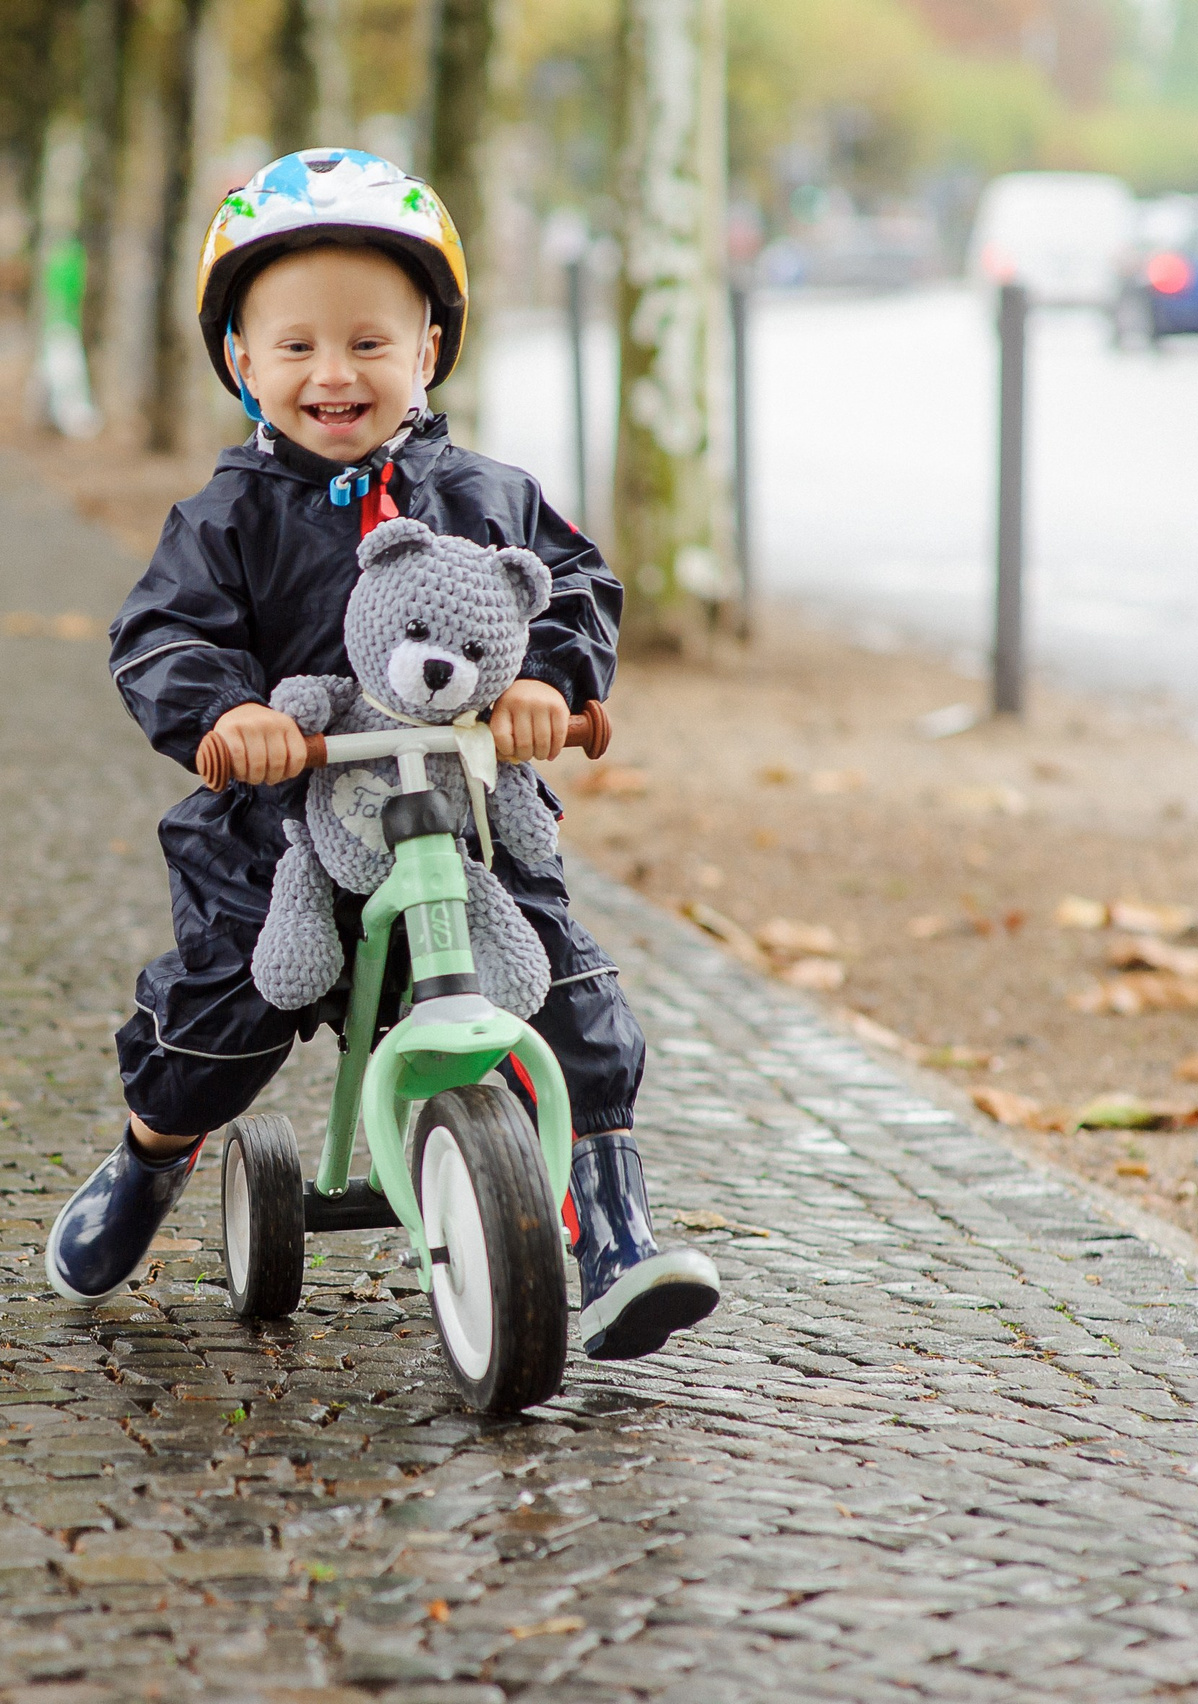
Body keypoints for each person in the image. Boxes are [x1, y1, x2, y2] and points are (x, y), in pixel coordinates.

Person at [42, 150, 718, 1362]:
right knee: (224, 1009)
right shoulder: (224, 520)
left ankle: (613, 1227)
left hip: (461, 813)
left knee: (567, 987)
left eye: (369, 341)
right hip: (282, 819)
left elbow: (573, 587)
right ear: (240, 363)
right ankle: (152, 1153)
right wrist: (224, 717)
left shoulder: (486, 494)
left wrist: (545, 683)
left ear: (429, 352)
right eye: (293, 346)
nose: (332, 373)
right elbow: (162, 635)